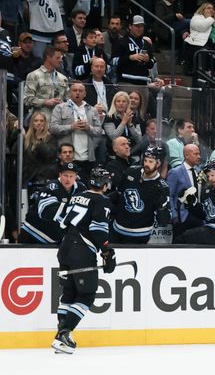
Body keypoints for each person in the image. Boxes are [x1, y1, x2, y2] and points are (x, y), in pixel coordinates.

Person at [51, 167, 115, 354]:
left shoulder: (76, 196)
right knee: (87, 295)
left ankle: (61, 339)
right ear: (104, 184)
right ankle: (64, 334)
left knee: (69, 295)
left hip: (65, 247)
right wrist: (106, 251)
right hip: (82, 250)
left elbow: (62, 221)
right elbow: (98, 229)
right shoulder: (102, 200)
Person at [109, 146, 170, 243]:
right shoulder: (131, 172)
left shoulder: (162, 187)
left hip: (140, 235)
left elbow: (164, 220)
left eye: (151, 162)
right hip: (117, 228)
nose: (146, 164)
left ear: (158, 163)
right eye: (145, 160)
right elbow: (118, 194)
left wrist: (161, 205)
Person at [19, 162, 85, 244]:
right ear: (60, 175)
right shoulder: (51, 187)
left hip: (54, 238)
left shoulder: (81, 189)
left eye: (71, 176)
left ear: (76, 177)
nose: (68, 179)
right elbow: (46, 211)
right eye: (65, 175)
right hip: (32, 233)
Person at [49, 82, 103, 173]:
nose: (77, 93)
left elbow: (99, 131)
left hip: (88, 158)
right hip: (68, 156)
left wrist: (88, 128)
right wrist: (71, 127)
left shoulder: (92, 110)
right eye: (75, 90)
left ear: (85, 94)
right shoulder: (60, 108)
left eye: (80, 91)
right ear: (70, 93)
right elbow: (53, 129)